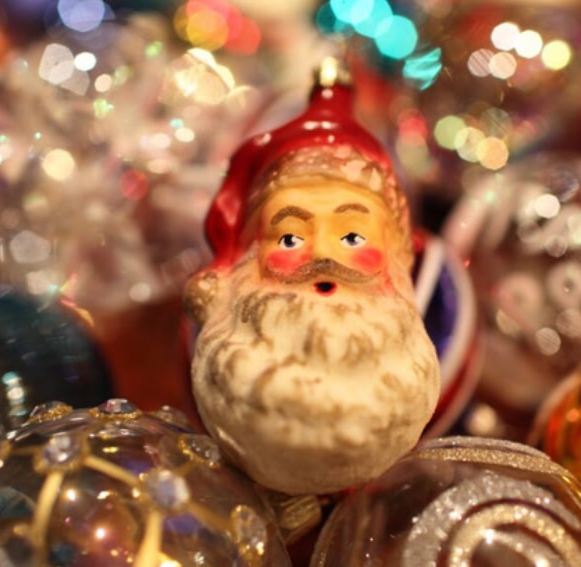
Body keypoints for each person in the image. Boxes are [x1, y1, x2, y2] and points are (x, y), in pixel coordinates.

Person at [184, 59, 440, 495]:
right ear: (251, 254)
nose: (322, 254)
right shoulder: (214, 345)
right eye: (289, 238)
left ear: (396, 257)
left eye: (353, 236)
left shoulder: (442, 329)